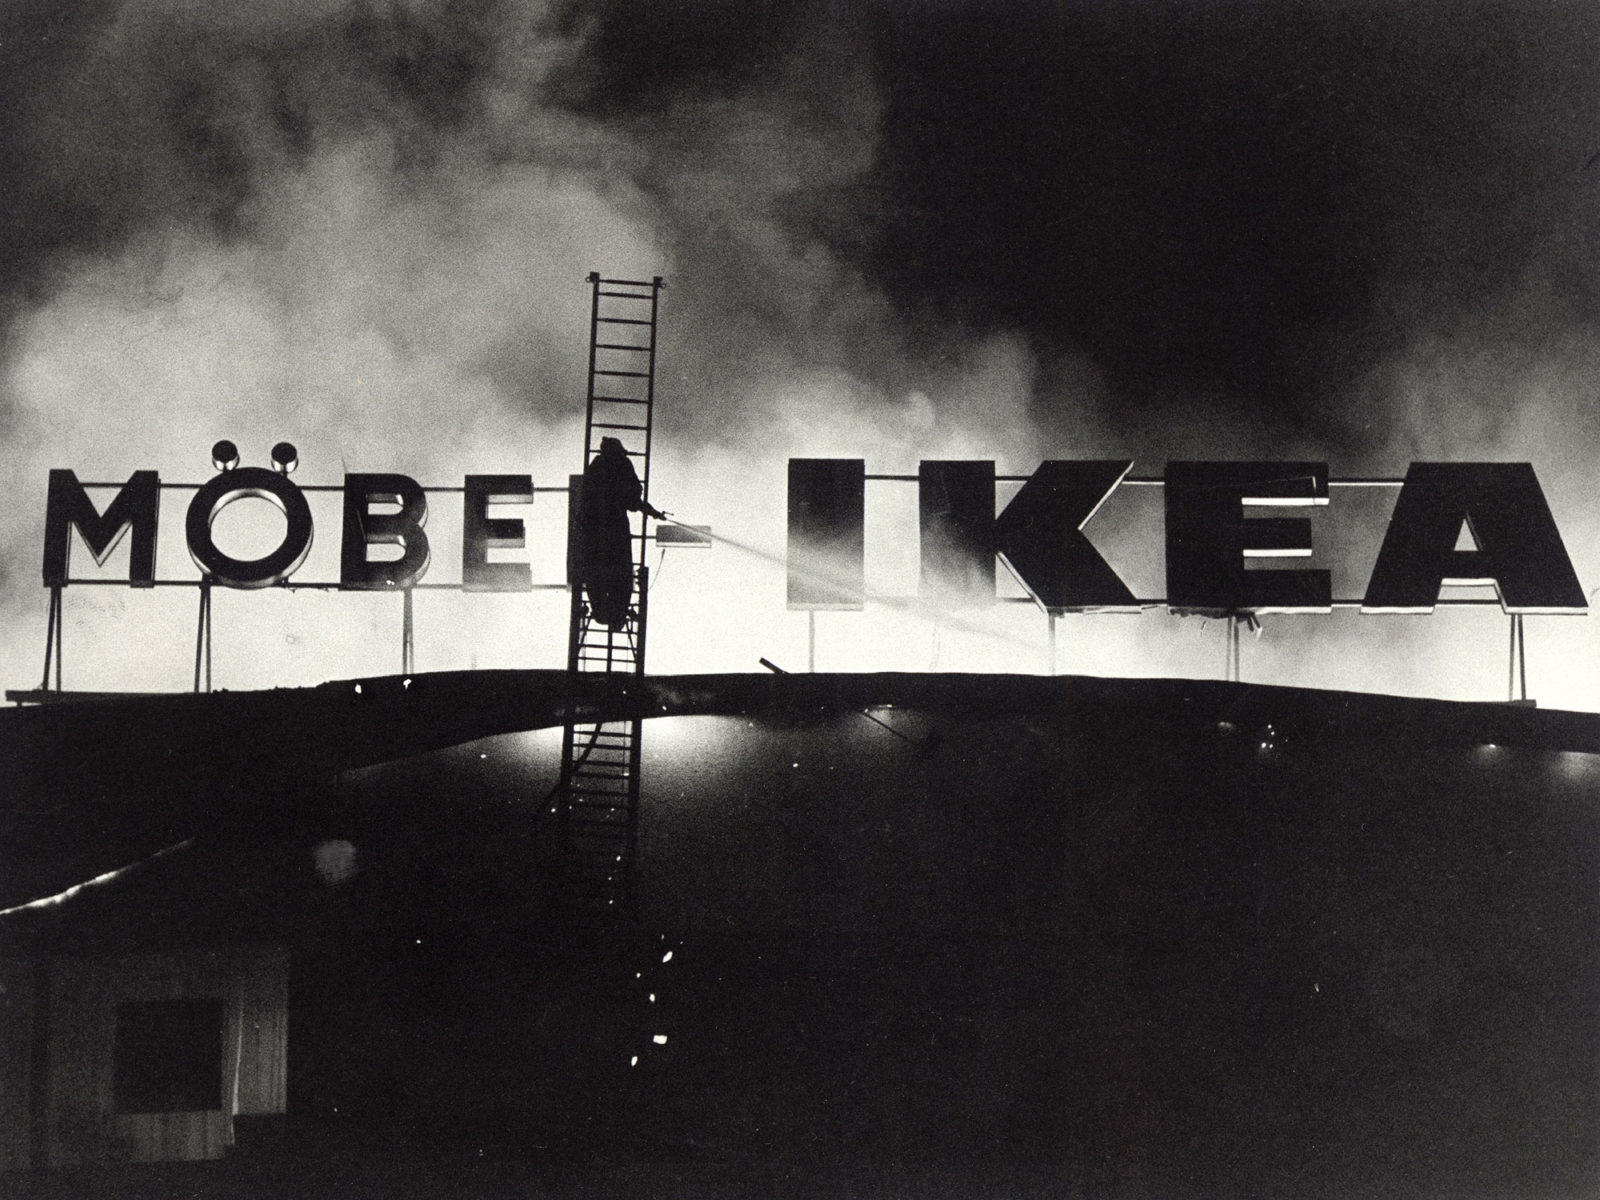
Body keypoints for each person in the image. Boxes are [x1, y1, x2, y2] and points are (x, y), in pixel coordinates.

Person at [575, 437, 665, 629]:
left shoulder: (596, 466)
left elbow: (586, 498)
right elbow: (632, 499)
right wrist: (651, 511)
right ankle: (613, 612)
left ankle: (602, 612)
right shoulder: (621, 465)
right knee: (621, 573)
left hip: (593, 532)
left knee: (596, 574)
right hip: (615, 530)